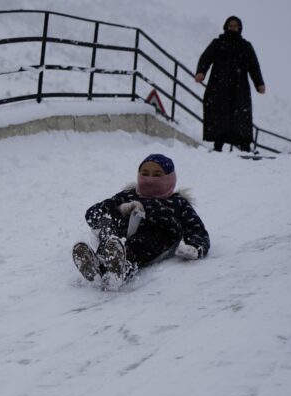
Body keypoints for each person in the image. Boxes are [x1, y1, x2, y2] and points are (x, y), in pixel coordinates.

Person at [72, 154, 210, 290]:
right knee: (108, 228)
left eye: (157, 175)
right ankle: (98, 265)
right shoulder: (128, 195)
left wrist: (196, 247)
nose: (150, 179)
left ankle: (120, 270)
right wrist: (120, 209)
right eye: (145, 173)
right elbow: (93, 213)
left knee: (137, 244)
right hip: (121, 235)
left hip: (157, 238)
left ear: (169, 178)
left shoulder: (178, 202)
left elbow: (196, 228)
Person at [195, 16, 266, 153]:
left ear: (239, 28)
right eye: (230, 25)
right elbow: (206, 58)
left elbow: (254, 66)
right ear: (226, 27)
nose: (232, 27)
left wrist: (259, 83)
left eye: (235, 25)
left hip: (240, 89)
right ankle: (218, 145)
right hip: (219, 87)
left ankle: (245, 146)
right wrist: (201, 72)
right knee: (219, 116)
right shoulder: (218, 43)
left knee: (241, 117)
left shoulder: (246, 46)